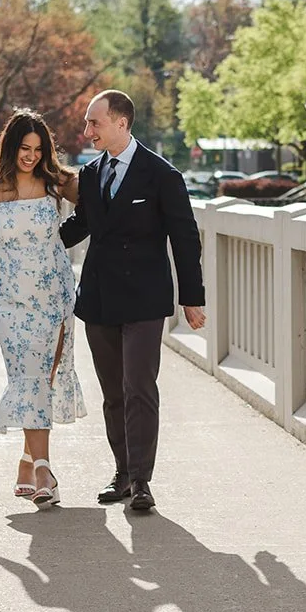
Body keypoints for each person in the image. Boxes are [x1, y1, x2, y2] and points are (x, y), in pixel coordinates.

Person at [60, 90, 205, 513]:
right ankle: (122, 473)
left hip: (144, 299)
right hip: (99, 299)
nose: (87, 132)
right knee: (112, 393)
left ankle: (142, 480)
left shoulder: (162, 175)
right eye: (88, 124)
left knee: (138, 387)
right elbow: (81, 226)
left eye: (95, 124)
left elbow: (185, 238)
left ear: (121, 123)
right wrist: (35, 240)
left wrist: (191, 299)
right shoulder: (91, 174)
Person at [0, 110, 84, 508]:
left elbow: (101, 200)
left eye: (38, 150)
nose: (30, 156)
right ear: (9, 146)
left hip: (54, 295)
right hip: (8, 301)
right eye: (24, 148)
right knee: (26, 377)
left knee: (42, 378)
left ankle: (32, 463)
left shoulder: (53, 181)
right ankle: (40, 466)